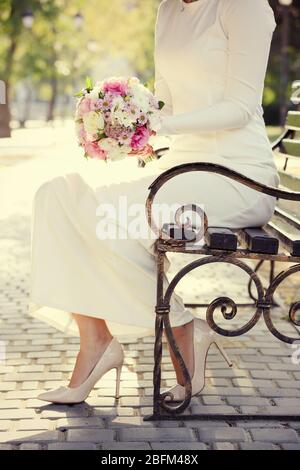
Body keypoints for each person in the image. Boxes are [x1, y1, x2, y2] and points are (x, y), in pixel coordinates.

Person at [30, 0, 279, 404]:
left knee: (118, 223)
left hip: (237, 176)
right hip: (181, 170)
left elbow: (240, 108)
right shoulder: (168, 10)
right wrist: (127, 128)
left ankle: (182, 328)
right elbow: (165, 101)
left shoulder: (244, 6)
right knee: (57, 198)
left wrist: (160, 124)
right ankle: (96, 342)